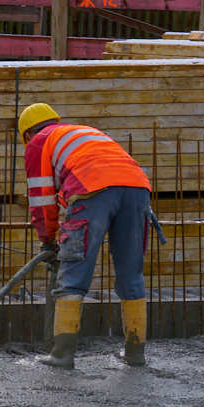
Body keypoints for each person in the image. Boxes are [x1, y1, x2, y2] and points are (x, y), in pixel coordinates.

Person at [19, 103, 154, 368]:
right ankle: (135, 354)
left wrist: (48, 240)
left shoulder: (38, 142)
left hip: (91, 190)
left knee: (73, 273)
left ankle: (62, 354)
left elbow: (42, 199)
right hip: (138, 188)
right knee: (131, 274)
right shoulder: (84, 132)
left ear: (26, 135)